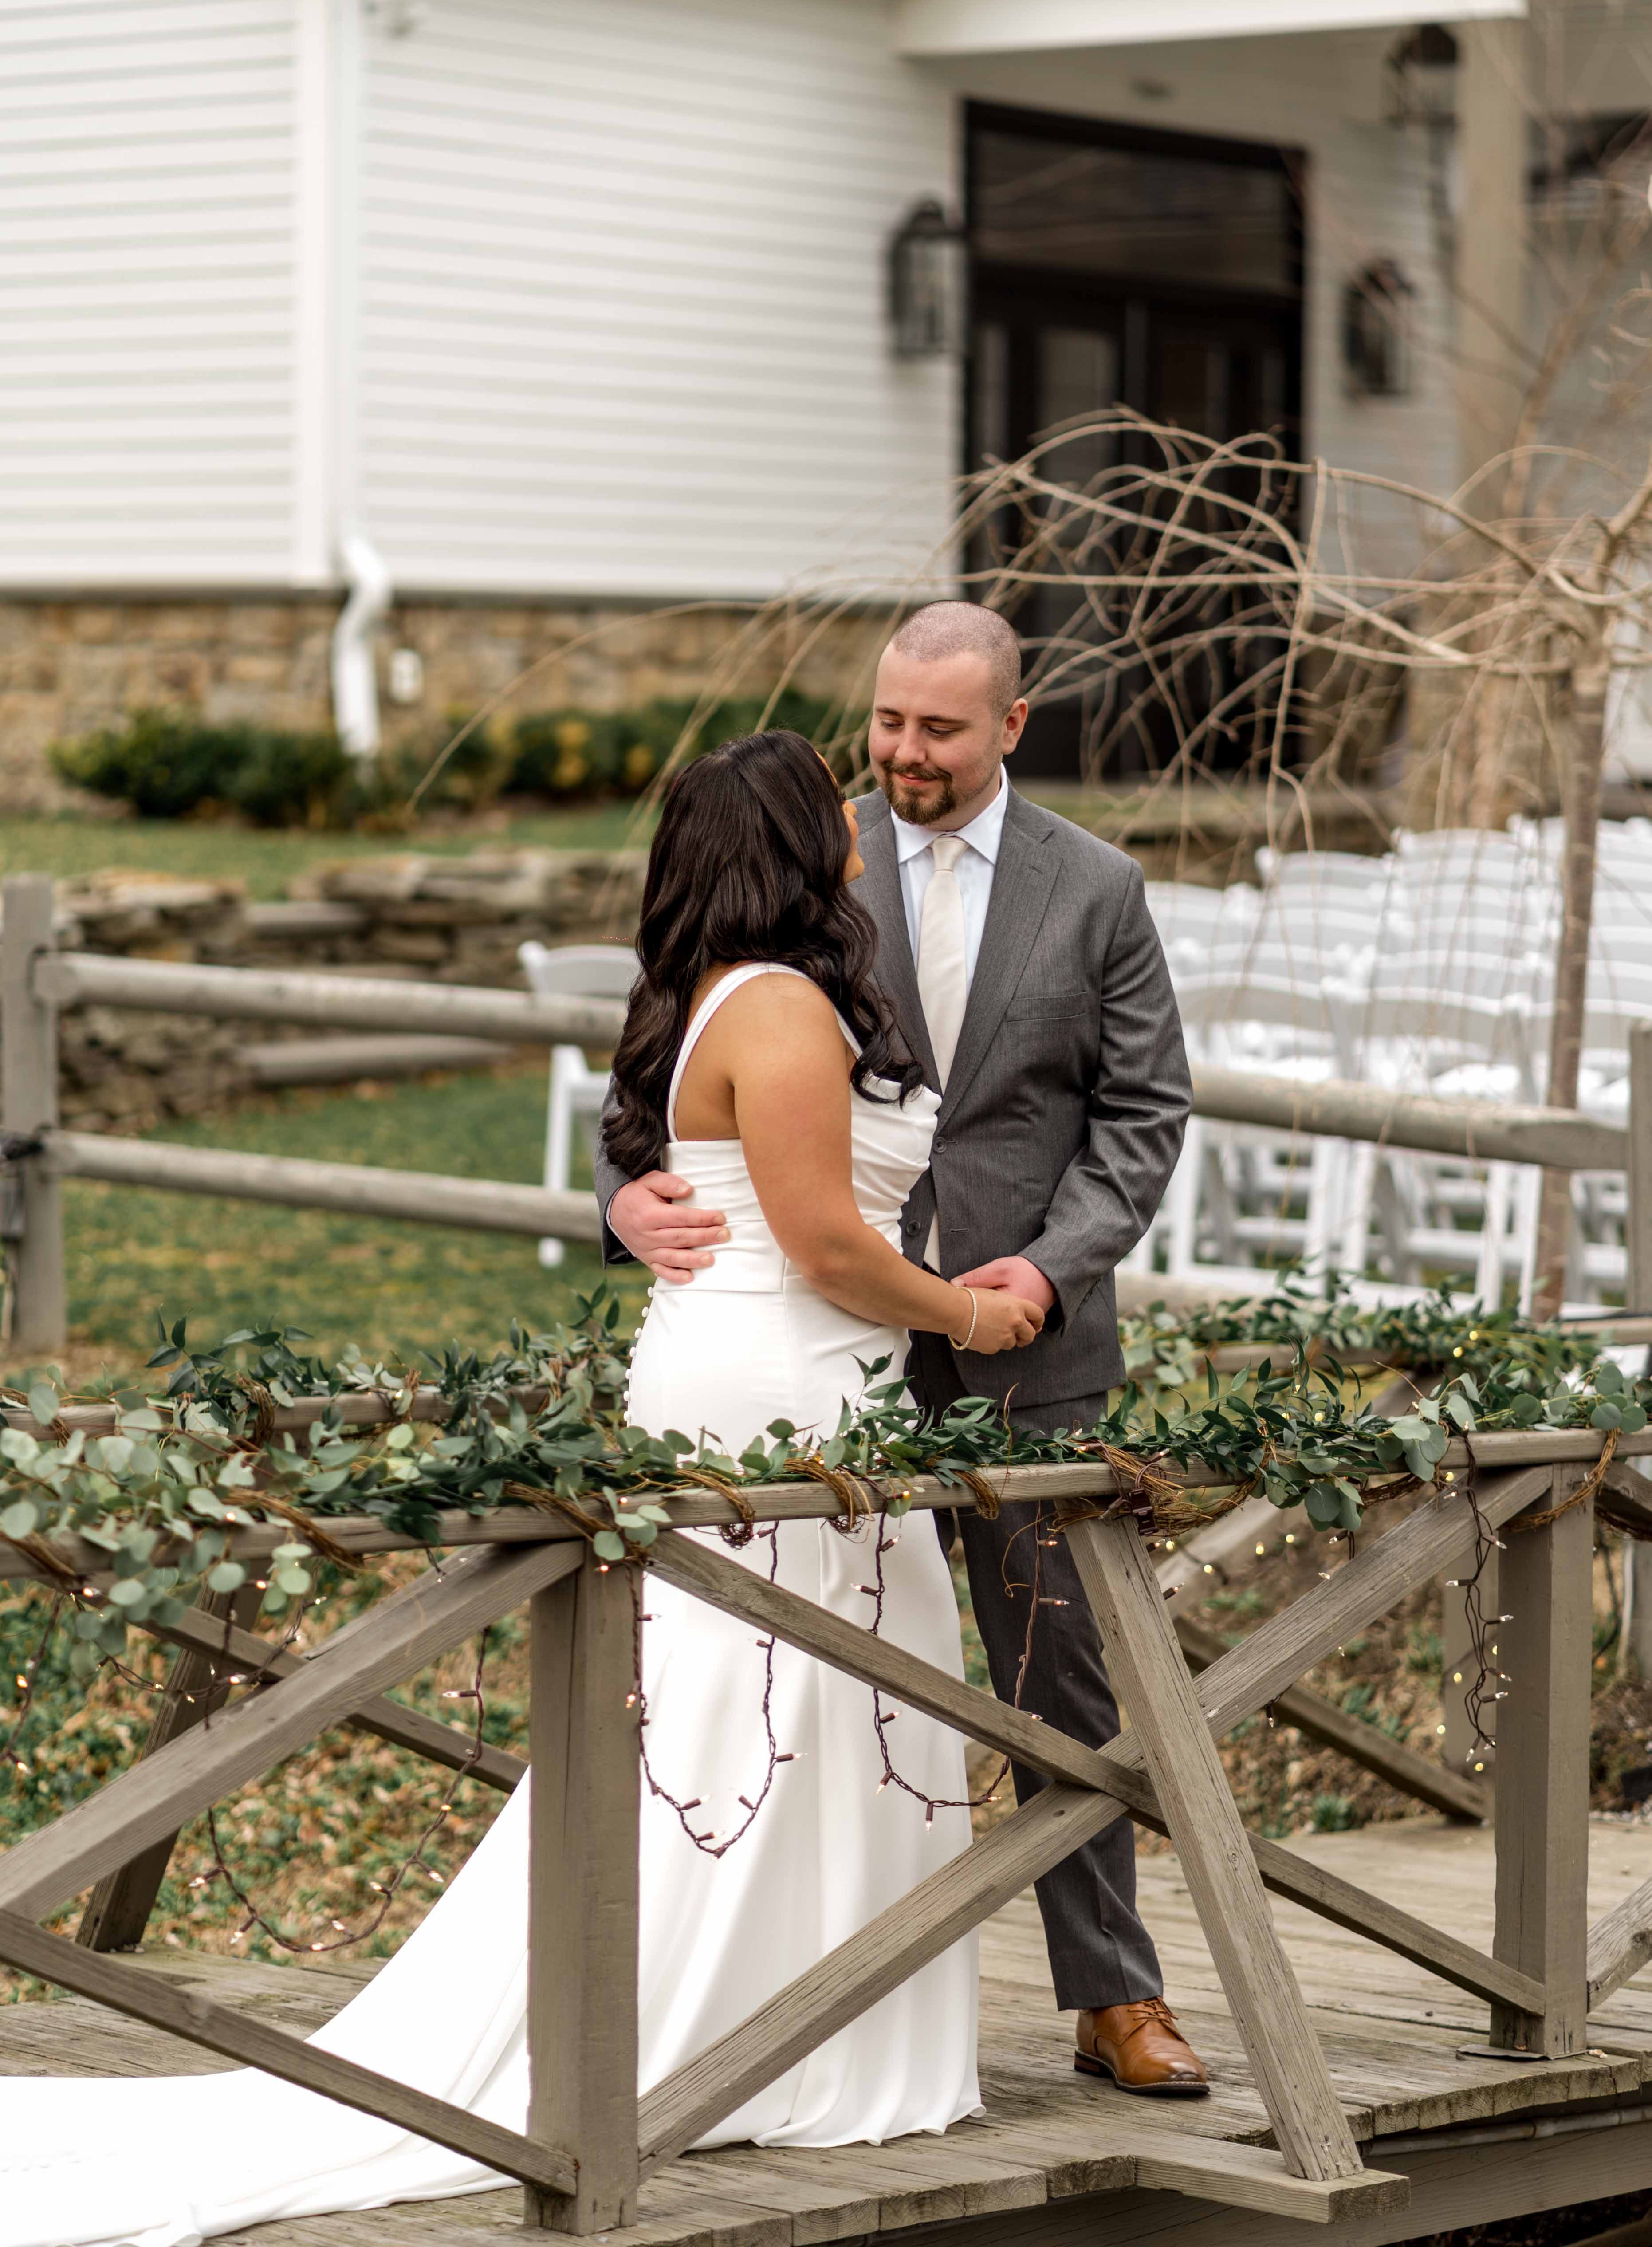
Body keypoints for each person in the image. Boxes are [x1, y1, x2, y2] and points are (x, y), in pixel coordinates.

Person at [0, 729, 1039, 2247]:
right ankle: (732, 2041)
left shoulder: (726, 999)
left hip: (759, 1363)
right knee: (783, 1695)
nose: (861, 829)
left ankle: (780, 2027)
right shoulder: (787, 1009)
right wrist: (974, 1315)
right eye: (836, 812)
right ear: (790, 841)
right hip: (786, 1380)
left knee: (796, 1699)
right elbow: (820, 1237)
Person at [598, 603, 1208, 2099]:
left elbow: (1143, 1115)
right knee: (778, 1680)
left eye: (937, 729)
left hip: (1018, 1350)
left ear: (1011, 723)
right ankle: (786, 1995)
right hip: (810, 1350)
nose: (901, 753)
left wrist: (1048, 1278)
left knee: (1058, 1674)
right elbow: (655, 1076)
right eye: (885, 722)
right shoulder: (802, 857)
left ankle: (1111, 1994)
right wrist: (620, 1200)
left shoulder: (1098, 887)